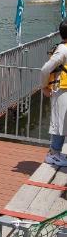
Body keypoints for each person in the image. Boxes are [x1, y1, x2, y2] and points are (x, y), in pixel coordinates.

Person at [41, 20, 67, 166]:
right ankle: (53, 154)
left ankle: (56, 152)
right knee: (59, 123)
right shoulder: (62, 50)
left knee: (64, 122)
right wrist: (44, 87)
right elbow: (45, 69)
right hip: (61, 90)